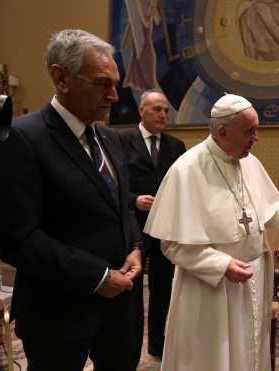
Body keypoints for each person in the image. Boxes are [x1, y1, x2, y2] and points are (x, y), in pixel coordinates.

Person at [0, 29, 144, 371]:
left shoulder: (112, 140)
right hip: (57, 314)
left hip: (120, 311)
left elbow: (121, 208)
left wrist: (134, 246)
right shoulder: (18, 139)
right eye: (103, 83)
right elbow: (16, 237)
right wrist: (98, 276)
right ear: (61, 78)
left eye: (116, 83)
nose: (115, 96)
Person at [144, 93, 279, 371]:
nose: (256, 138)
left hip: (252, 282)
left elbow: (261, 212)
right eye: (250, 131)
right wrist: (221, 265)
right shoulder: (186, 169)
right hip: (211, 289)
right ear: (222, 131)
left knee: (249, 354)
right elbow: (171, 244)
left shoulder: (250, 162)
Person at [120, 89, 186, 357]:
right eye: (157, 109)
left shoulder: (176, 146)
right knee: (130, 289)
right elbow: (112, 185)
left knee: (162, 288)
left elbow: (183, 187)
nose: (163, 114)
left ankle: (158, 345)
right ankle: (129, 345)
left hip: (165, 227)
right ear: (141, 111)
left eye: (166, 110)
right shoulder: (121, 141)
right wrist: (134, 200)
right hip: (132, 225)